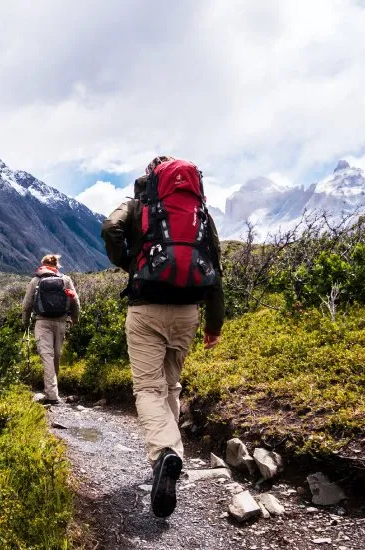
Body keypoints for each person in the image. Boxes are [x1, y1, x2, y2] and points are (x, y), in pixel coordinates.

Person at [101, 156, 224, 518]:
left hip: (146, 309)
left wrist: (129, 262)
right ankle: (170, 456)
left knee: (148, 389)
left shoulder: (138, 205)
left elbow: (110, 228)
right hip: (188, 311)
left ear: (151, 177)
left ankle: (164, 454)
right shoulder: (199, 212)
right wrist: (214, 325)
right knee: (170, 386)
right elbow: (214, 265)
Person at [22, 254, 80, 405]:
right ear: (57, 265)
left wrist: (25, 324)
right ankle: (53, 391)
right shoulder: (65, 279)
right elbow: (75, 301)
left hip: (42, 322)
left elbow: (26, 305)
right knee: (56, 356)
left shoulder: (36, 280)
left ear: (42, 265)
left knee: (47, 356)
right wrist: (75, 319)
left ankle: (52, 395)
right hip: (61, 322)